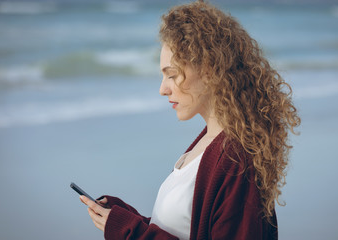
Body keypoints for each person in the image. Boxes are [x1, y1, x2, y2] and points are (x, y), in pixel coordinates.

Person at [80, 1, 300, 239]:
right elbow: (186, 230)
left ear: (209, 70)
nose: (163, 89)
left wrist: (131, 232)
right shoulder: (208, 142)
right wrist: (125, 218)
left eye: (172, 75)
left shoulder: (234, 160)